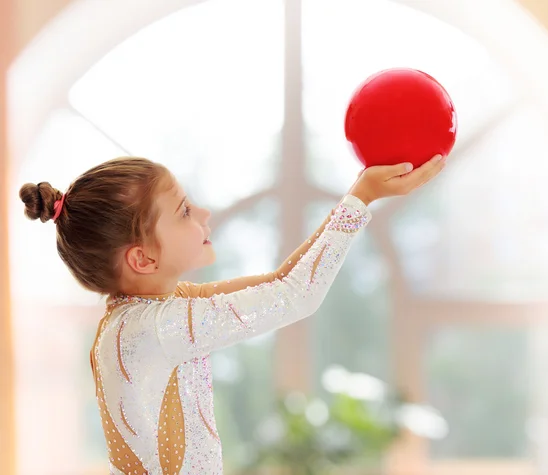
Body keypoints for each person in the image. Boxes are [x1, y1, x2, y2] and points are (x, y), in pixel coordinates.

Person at [19, 154, 446, 474]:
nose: (202, 214)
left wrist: (357, 192)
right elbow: (296, 295)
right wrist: (362, 199)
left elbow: (282, 281)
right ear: (143, 259)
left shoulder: (145, 313)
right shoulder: (156, 328)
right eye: (184, 211)